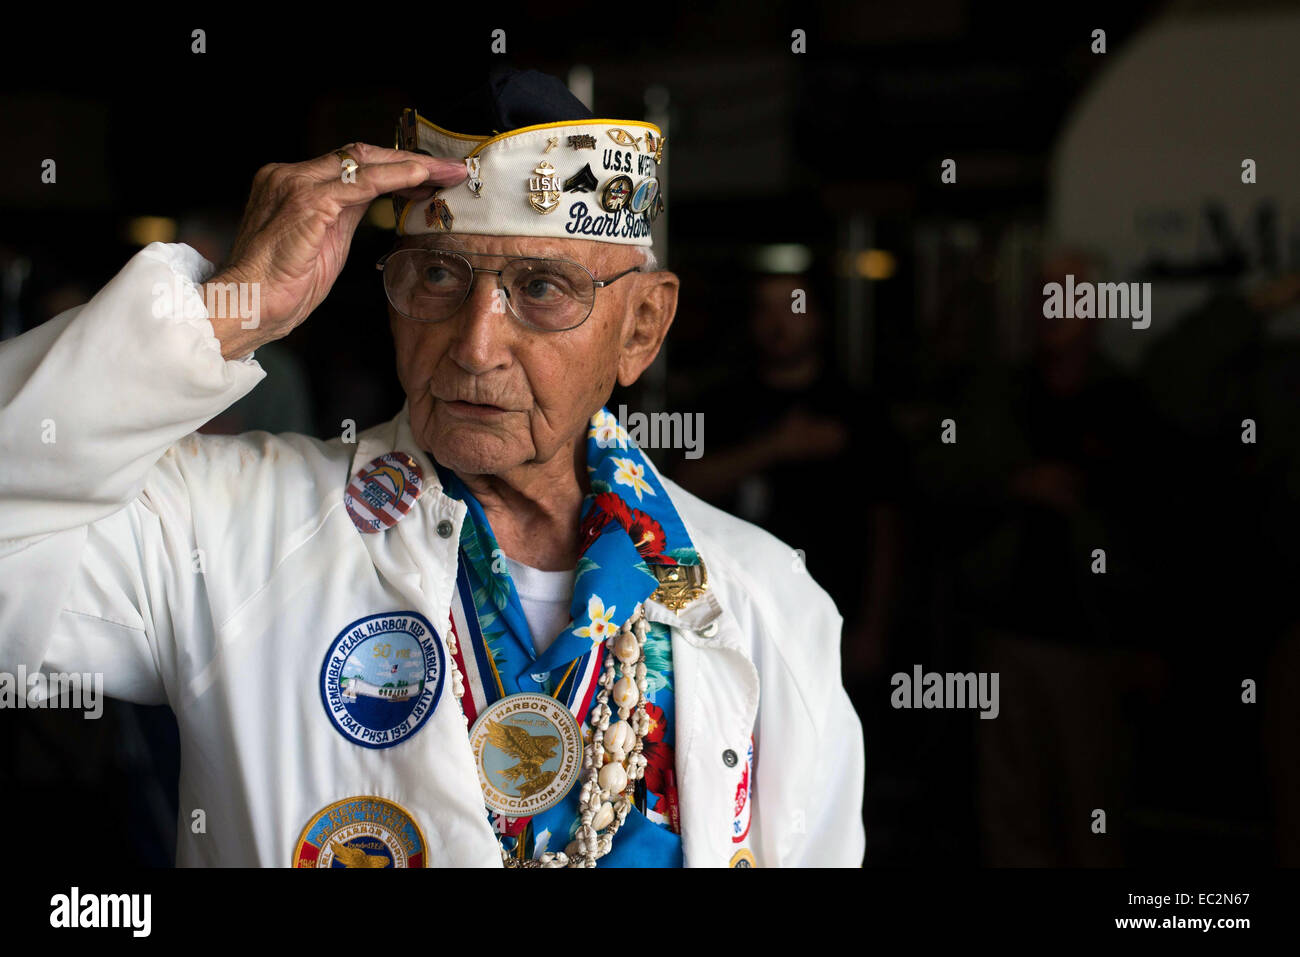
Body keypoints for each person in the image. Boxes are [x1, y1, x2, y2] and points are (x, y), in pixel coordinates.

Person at [0, 68, 864, 867]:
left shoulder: (762, 600)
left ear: (641, 327)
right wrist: (230, 311)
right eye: (439, 276)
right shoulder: (230, 526)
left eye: (543, 288)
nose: (476, 343)